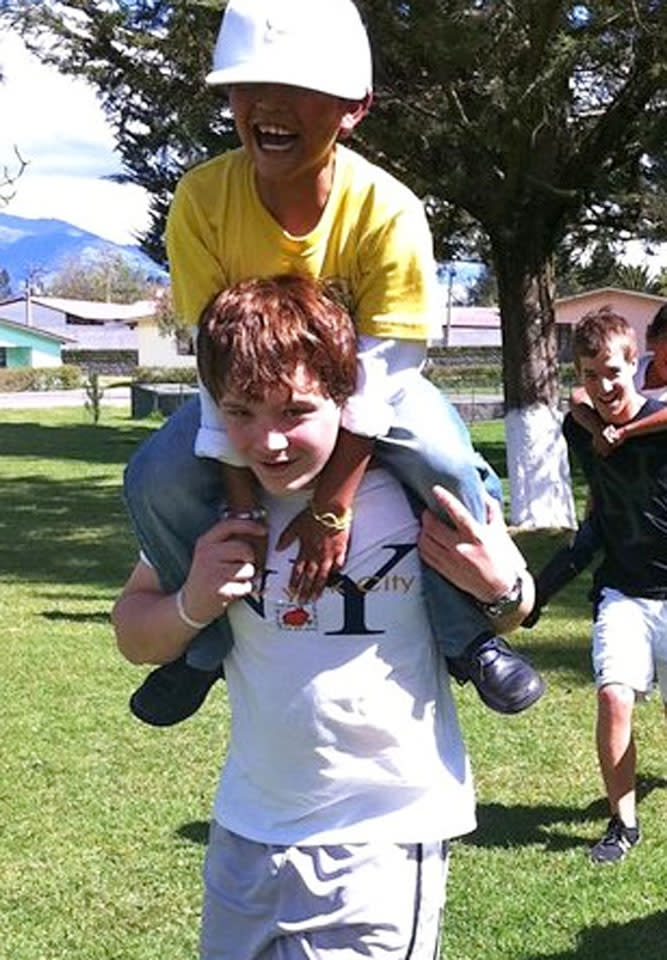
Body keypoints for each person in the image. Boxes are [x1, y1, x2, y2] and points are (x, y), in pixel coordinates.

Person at [124, 0, 543, 728]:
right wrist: (244, 504)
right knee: (152, 477)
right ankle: (201, 647)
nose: (268, 106)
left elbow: (384, 373)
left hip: (371, 384)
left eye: (299, 89)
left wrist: (329, 506)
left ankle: (464, 631)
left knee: (443, 462)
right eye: (247, 87)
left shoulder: (389, 209)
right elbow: (211, 365)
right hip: (245, 390)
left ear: (355, 109)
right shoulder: (201, 200)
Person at [113, 275, 536, 959]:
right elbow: (133, 631)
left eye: (294, 411)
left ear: (347, 396)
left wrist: (498, 589)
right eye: (242, 413)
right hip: (242, 836)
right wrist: (192, 600)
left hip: (379, 841)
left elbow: (516, 607)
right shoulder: (211, 507)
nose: (269, 441)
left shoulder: (408, 491)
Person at [555, 308, 667, 865]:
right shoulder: (580, 422)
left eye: (614, 375)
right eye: (591, 374)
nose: (603, 387)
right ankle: (622, 823)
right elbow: (575, 410)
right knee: (612, 695)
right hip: (623, 591)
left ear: (636, 367)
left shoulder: (659, 415)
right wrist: (601, 428)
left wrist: (620, 429)